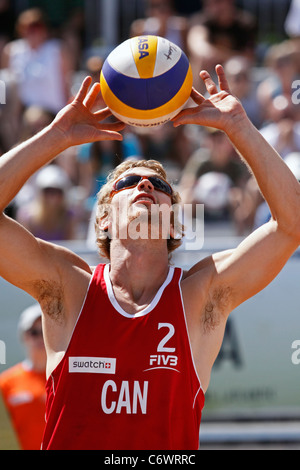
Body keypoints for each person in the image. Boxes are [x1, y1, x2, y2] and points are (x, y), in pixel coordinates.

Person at [0, 66, 299, 450]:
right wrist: (55, 138)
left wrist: (239, 127)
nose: (145, 184)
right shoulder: (69, 286)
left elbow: (292, 225)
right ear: (103, 216)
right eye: (128, 182)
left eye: (159, 186)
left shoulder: (199, 294)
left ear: (174, 222)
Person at [0, 304, 46, 450]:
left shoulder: (67, 380)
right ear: (24, 336)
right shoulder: (5, 383)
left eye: (45, 331)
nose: (40, 338)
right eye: (34, 332)